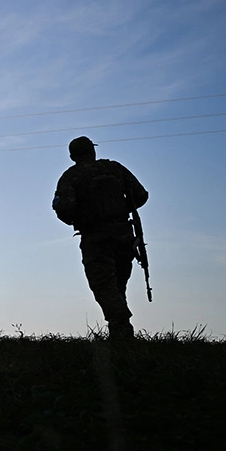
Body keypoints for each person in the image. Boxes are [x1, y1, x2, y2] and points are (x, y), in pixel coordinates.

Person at [53, 136, 148, 341]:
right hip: (124, 236)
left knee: (104, 285)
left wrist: (83, 217)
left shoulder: (71, 177)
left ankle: (122, 329)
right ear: (92, 151)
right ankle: (120, 333)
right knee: (117, 284)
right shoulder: (114, 168)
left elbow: (65, 210)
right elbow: (141, 195)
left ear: (72, 156)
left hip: (96, 239)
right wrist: (120, 210)